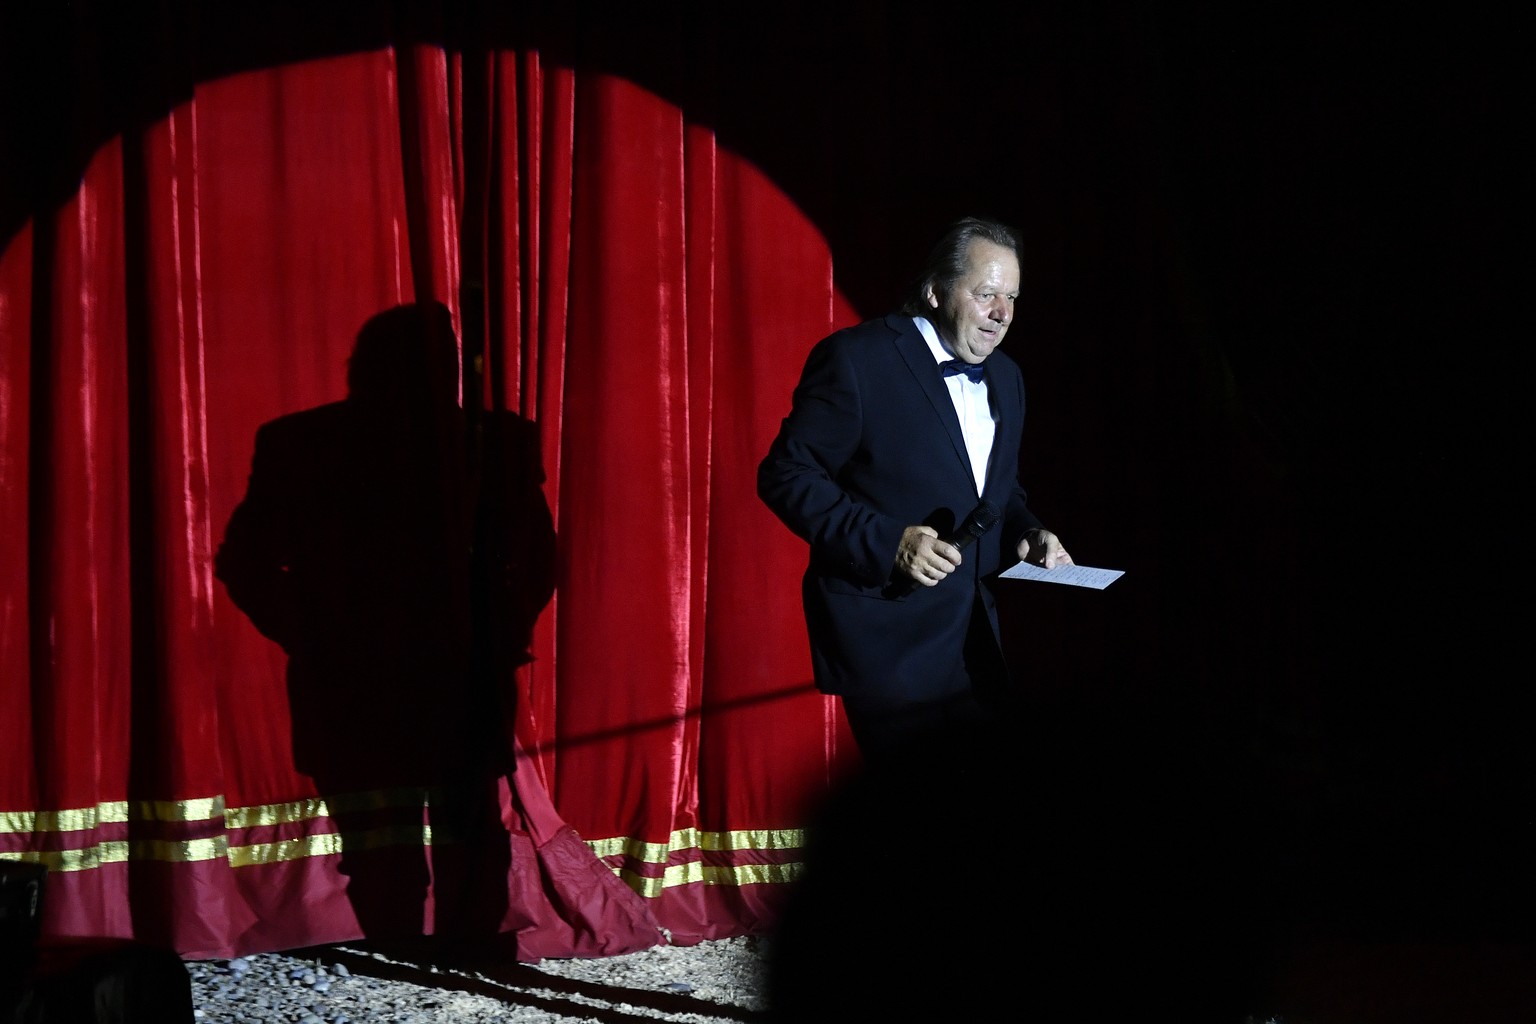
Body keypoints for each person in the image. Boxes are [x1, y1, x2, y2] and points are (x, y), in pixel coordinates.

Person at [757, 215, 1071, 762]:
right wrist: (889, 542)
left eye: (1012, 297)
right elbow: (786, 474)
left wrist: (1029, 531)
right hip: (889, 643)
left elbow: (1000, 490)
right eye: (987, 294)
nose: (1003, 315)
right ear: (934, 290)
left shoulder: (1008, 376)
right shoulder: (858, 359)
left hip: (977, 646)